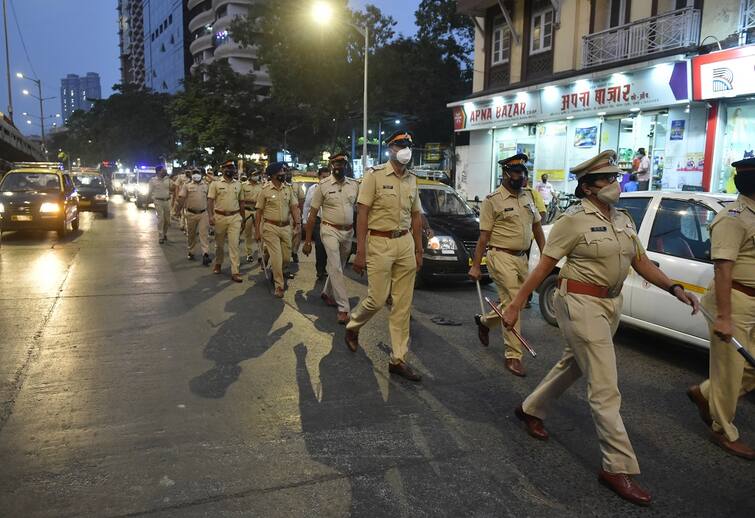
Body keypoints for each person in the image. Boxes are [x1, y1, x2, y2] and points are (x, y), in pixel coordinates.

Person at [501, 150, 699, 506]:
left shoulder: (623, 219)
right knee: (605, 386)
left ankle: (531, 408)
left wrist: (673, 287)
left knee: (575, 363)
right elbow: (544, 266)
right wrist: (516, 304)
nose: (615, 184)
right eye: (607, 179)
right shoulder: (573, 220)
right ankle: (616, 467)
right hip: (579, 303)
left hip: (611, 304)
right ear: (589, 187)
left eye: (615, 178)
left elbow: (640, 261)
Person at [687, 158, 755, 460]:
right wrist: (725, 318)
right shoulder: (733, 217)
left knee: (751, 367)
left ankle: (704, 393)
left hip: (751, 301)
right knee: (730, 370)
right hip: (733, 300)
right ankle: (722, 430)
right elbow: (723, 270)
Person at [345, 130, 424, 382]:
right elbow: (363, 213)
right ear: (390, 148)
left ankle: (398, 359)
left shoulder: (412, 179)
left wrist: (419, 248)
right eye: (401, 144)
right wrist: (360, 251)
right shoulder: (374, 176)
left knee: (402, 306)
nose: (406, 149)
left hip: (405, 243)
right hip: (379, 242)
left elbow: (416, 216)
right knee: (377, 299)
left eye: (409, 145)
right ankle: (354, 325)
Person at [469, 154, 545, 377]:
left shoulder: (529, 196)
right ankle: (513, 355)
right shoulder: (492, 200)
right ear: (504, 174)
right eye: (515, 173)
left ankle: (485, 321)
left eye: (522, 172)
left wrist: (547, 256)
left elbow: (538, 230)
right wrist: (475, 266)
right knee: (512, 300)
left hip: (521, 257)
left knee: (517, 304)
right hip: (500, 255)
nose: (520, 177)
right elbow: (483, 237)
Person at [303, 154, 359, 324]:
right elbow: (312, 214)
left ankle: (327, 292)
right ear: (331, 164)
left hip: (348, 232)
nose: (339, 166)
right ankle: (343, 308)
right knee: (335, 266)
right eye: (336, 163)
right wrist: (307, 240)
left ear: (346, 165)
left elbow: (362, 210)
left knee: (339, 265)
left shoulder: (354, 185)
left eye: (342, 163)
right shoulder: (323, 185)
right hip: (329, 229)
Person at [255, 162, 301, 298]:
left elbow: (294, 207)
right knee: (277, 258)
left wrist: (297, 223)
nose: (283, 174)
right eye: (281, 172)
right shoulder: (265, 190)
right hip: (270, 227)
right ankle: (279, 285)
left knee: (286, 258)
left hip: (286, 227)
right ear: (273, 175)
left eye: (284, 171)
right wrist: (257, 230)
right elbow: (259, 212)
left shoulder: (288, 189)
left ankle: (275, 270)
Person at [208, 161, 245, 283]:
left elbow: (241, 202)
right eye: (228, 168)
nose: (231, 170)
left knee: (234, 245)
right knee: (219, 245)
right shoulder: (215, 184)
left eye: (233, 168)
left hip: (235, 217)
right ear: (222, 169)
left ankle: (235, 271)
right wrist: (210, 216)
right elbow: (210, 201)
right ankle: (218, 263)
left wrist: (243, 218)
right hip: (220, 217)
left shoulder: (239, 184)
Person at [177, 169, 211, 266]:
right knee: (191, 234)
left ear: (201, 175)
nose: (196, 175)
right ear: (192, 175)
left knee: (204, 235)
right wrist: (178, 210)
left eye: (198, 173)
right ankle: (191, 251)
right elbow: (182, 198)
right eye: (194, 173)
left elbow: (209, 200)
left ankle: (205, 254)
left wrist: (211, 214)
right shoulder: (187, 185)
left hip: (203, 214)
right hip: (191, 214)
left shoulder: (206, 185)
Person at [302, 167, 332, 279]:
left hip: (331, 221)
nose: (326, 179)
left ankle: (330, 269)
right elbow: (306, 206)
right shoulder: (313, 189)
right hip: (318, 221)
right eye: (324, 177)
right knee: (320, 246)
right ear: (319, 177)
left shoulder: (334, 189)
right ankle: (320, 270)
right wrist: (304, 220)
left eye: (328, 177)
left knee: (330, 247)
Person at [241, 171, 262, 263]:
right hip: (247, 211)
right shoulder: (243, 185)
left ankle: (261, 254)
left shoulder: (261, 185)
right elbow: (240, 200)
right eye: (254, 175)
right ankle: (249, 253)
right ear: (250, 176)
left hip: (257, 211)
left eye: (257, 175)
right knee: (248, 233)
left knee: (260, 232)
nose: (256, 176)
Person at [148, 165, 172, 244]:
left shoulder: (168, 179)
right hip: (158, 201)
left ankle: (165, 233)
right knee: (161, 218)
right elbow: (150, 191)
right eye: (162, 170)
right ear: (158, 172)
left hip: (167, 201)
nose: (164, 171)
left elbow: (174, 187)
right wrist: (146, 201)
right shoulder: (152, 180)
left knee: (167, 220)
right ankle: (160, 236)